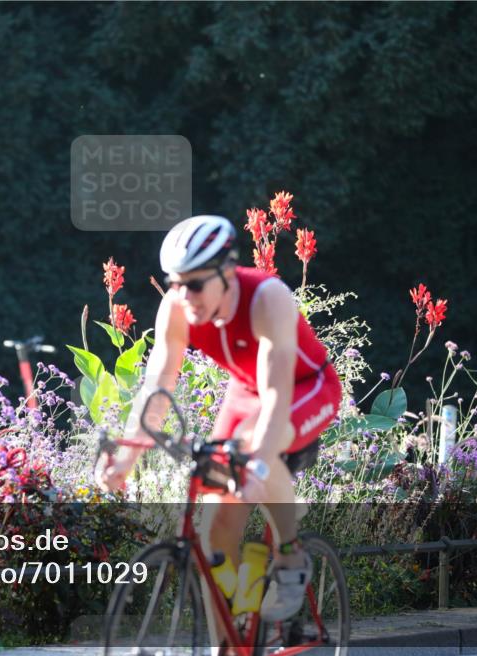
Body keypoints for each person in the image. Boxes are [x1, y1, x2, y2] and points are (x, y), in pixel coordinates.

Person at [95, 215, 342, 624]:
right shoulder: (176, 308)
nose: (184, 295)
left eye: (194, 284)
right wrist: (126, 459)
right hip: (246, 391)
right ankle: (228, 647)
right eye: (175, 282)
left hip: (304, 387)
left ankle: (290, 554)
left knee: (252, 447)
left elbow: (277, 395)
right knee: (213, 531)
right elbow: (156, 390)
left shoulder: (267, 298)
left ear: (226, 272)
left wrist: (258, 466)